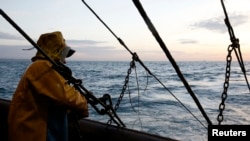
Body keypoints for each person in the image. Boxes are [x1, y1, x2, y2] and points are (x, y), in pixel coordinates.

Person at [8, 31, 89, 141]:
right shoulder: (42, 67)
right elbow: (67, 97)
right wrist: (84, 104)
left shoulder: (39, 68)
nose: (65, 61)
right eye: (63, 55)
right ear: (55, 51)